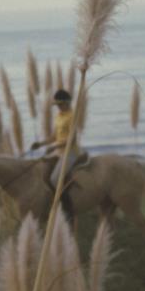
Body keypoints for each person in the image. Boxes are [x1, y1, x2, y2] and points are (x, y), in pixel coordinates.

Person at [42, 88, 86, 217]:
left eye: (60, 104)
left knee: (54, 179)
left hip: (70, 152)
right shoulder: (58, 116)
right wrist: (41, 144)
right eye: (57, 105)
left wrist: (53, 146)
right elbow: (53, 136)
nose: (58, 107)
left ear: (67, 103)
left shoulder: (72, 116)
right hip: (58, 151)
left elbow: (71, 140)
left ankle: (67, 209)